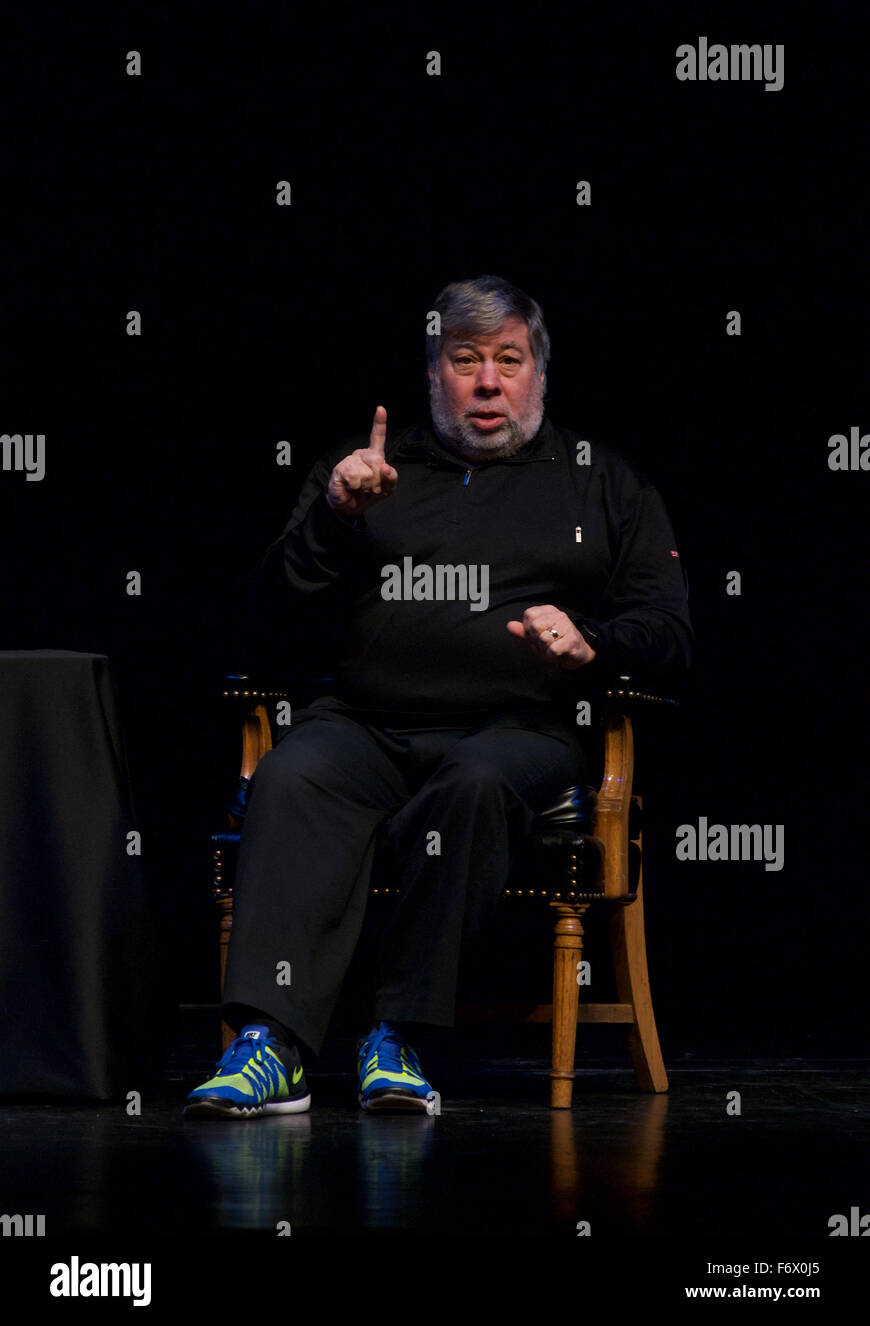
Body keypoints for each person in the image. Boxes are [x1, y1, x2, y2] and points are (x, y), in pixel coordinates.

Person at [184, 274, 693, 1119]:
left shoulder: (601, 483)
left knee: (476, 783)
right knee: (290, 776)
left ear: (538, 374)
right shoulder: (366, 472)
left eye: (507, 360)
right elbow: (264, 622)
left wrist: (594, 642)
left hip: (518, 731)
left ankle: (400, 1038)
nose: (488, 381)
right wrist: (332, 521)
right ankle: (269, 1046)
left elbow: (671, 634)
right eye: (465, 360)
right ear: (433, 375)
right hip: (366, 726)